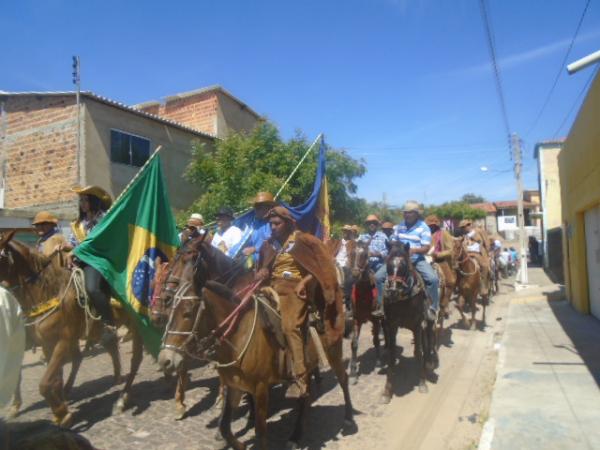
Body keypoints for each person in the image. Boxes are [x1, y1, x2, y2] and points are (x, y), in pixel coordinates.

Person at [255, 206, 340, 398]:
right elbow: (266, 265)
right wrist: (263, 272)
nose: (273, 227)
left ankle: (300, 377)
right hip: (271, 288)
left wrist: (304, 281)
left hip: (293, 289)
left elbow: (322, 266)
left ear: (288, 223)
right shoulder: (271, 244)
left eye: (277, 224)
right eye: (271, 224)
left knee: (289, 326)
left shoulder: (303, 240)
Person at [60, 186, 115, 328]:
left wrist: (75, 252)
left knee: (92, 289)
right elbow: (74, 244)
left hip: (97, 261)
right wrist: (64, 247)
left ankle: (108, 321)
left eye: (85, 200)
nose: (82, 203)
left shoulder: (104, 217)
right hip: (81, 261)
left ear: (94, 201)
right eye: (81, 200)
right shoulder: (79, 223)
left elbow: (96, 242)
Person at [392, 202, 439, 321]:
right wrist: (395, 247)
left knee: (433, 279)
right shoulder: (399, 226)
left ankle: (432, 308)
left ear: (416, 214)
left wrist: (414, 250)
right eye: (405, 212)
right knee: (378, 277)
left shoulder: (424, 227)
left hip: (416, 259)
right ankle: (381, 306)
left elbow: (426, 247)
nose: (407, 215)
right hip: (399, 259)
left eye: (410, 213)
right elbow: (393, 240)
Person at [357, 214, 388, 318]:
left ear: (377, 225)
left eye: (374, 223)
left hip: (379, 264)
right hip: (364, 265)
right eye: (369, 223)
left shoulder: (383, 236)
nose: (371, 225)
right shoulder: (361, 237)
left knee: (379, 278)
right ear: (366, 225)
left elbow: (387, 252)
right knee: (352, 276)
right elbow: (357, 250)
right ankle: (349, 304)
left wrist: (375, 254)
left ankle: (381, 305)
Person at [425, 215, 455, 315]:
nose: (431, 227)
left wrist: (438, 254)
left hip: (440, 261)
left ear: (437, 225)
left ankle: (444, 303)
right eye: (429, 225)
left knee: (450, 282)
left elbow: (450, 250)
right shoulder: (424, 234)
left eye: (433, 225)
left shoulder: (444, 233)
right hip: (425, 260)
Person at [459, 219, 492, 302]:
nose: (463, 228)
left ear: (469, 225)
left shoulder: (479, 231)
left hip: (478, 254)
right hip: (467, 255)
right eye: (462, 227)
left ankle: (484, 288)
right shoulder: (464, 236)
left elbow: (486, 242)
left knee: (484, 266)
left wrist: (488, 253)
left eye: (464, 226)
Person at [241, 192, 277, 264]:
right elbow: (245, 240)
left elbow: (275, 242)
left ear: (269, 208)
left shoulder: (274, 222)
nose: (255, 210)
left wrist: (255, 248)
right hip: (253, 261)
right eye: (255, 207)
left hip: (270, 260)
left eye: (259, 207)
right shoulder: (254, 224)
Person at [334, 225, 356, 309]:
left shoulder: (353, 243)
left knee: (348, 275)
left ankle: (347, 299)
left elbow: (354, 255)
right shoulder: (337, 242)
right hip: (336, 261)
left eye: (347, 231)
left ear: (350, 233)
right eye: (344, 231)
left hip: (346, 264)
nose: (345, 233)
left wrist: (350, 262)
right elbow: (332, 251)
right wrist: (333, 258)